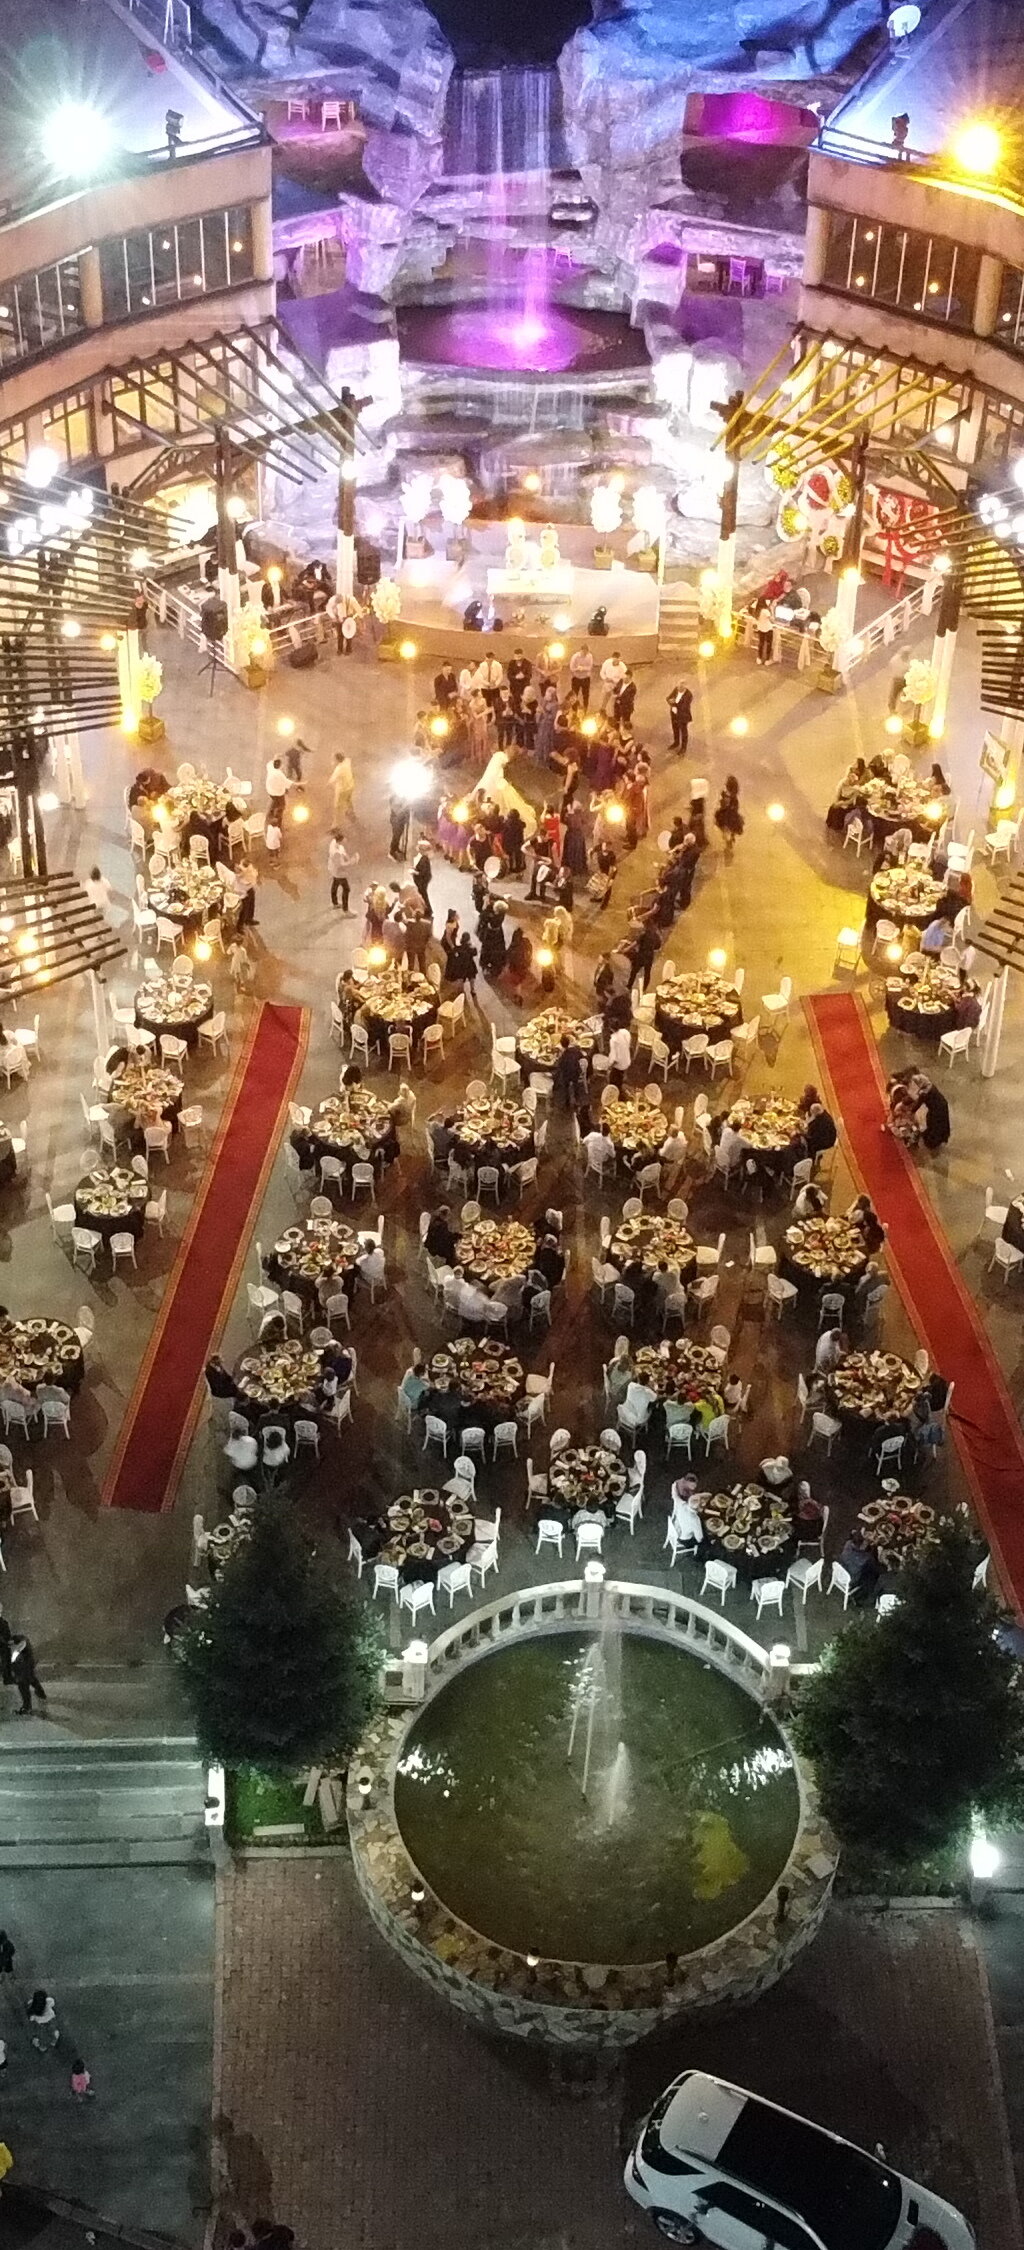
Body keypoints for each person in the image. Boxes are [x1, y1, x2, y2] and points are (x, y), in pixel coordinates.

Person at [10, 1634, 45, 1714]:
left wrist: (13, 1664)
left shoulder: (21, 1646)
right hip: (25, 1670)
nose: (11, 1646)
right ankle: (39, 1694)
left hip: (24, 1670)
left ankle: (27, 1707)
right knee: (29, 1682)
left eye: (12, 1644)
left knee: (23, 1687)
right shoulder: (23, 1647)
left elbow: (16, 1657)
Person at [552, 1032, 584, 1108]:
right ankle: (577, 1099)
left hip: (567, 1075)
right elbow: (581, 1056)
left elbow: (560, 1066)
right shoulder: (575, 1050)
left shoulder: (563, 1056)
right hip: (576, 1072)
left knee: (565, 1086)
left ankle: (567, 1102)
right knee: (576, 1085)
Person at [714, 775, 744, 857]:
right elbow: (735, 807)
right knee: (732, 827)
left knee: (724, 827)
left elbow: (723, 805)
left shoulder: (725, 794)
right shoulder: (735, 797)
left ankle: (728, 841)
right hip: (733, 815)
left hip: (726, 815)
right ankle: (731, 838)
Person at [328, 830, 354, 912]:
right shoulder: (336, 853)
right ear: (341, 840)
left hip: (333, 869)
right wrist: (351, 862)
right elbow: (341, 865)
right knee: (346, 889)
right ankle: (346, 910)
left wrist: (348, 857)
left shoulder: (334, 843)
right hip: (339, 872)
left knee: (335, 884)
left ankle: (335, 903)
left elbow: (343, 852)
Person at [667, 681, 692, 752]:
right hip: (674, 714)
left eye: (680, 687)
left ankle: (683, 748)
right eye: (678, 687)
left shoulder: (689, 695)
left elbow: (684, 706)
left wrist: (674, 703)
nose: (678, 689)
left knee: (684, 732)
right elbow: (668, 698)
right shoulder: (676, 689)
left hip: (683, 716)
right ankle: (676, 742)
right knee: (675, 729)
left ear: (684, 688)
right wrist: (670, 701)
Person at [330, 751, 355, 822]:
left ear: (337, 760)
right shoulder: (347, 761)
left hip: (342, 790)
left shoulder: (339, 769)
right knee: (348, 799)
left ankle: (335, 826)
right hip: (350, 785)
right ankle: (351, 812)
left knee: (337, 807)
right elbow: (347, 759)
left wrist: (328, 785)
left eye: (334, 759)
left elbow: (332, 780)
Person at [608, 1020, 632, 1090]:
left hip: (619, 1065)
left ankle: (617, 1091)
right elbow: (629, 1042)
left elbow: (614, 1058)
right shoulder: (625, 1032)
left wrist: (610, 1066)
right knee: (621, 1074)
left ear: (611, 1028)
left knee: (614, 1080)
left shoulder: (613, 1040)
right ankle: (623, 1079)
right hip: (627, 1059)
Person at [411, 835, 432, 912]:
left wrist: (414, 872)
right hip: (421, 880)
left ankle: (427, 909)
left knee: (423, 895)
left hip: (422, 881)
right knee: (423, 894)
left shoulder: (424, 859)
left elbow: (423, 872)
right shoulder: (422, 857)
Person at [570, 644, 594, 708]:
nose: (585, 653)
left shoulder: (590, 656)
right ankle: (574, 709)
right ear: (581, 650)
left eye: (587, 652)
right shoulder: (575, 657)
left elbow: (590, 667)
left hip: (585, 678)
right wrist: (577, 669)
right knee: (574, 695)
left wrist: (582, 668)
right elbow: (572, 668)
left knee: (586, 695)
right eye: (584, 652)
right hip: (576, 678)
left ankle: (585, 709)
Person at [388, 792, 410, 862]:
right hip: (396, 821)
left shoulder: (401, 799)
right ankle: (392, 851)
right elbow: (398, 812)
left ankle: (396, 848)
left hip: (401, 821)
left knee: (399, 835)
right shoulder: (394, 802)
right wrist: (405, 806)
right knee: (396, 836)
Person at [754, 599, 775, 665]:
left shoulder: (758, 611)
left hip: (760, 628)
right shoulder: (765, 611)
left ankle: (759, 658)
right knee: (769, 644)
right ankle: (767, 660)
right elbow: (772, 620)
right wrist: (772, 609)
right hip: (768, 629)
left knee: (761, 643)